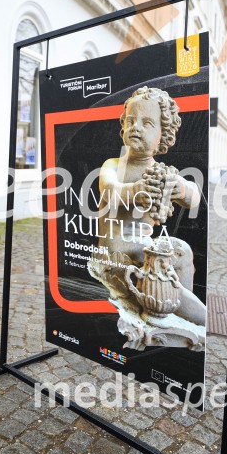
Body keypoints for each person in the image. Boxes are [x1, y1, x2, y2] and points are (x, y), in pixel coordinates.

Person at [89, 86, 205, 327]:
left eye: (147, 123)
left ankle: (173, 314)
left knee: (182, 251)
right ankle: (197, 317)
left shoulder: (161, 173)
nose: (135, 127)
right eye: (130, 121)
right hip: (117, 251)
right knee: (157, 267)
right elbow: (108, 189)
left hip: (145, 248)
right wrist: (136, 191)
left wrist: (181, 189)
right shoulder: (113, 164)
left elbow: (194, 197)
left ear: (163, 134)